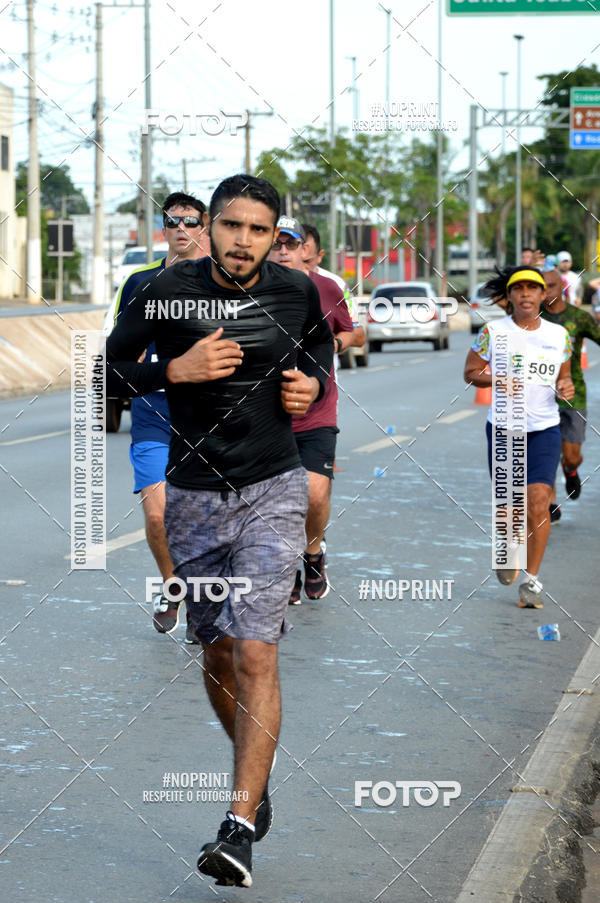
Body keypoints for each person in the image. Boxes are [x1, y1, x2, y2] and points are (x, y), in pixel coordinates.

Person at [106, 174, 333, 888]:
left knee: (257, 651)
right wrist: (173, 368)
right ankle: (253, 772)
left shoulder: (297, 293)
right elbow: (104, 378)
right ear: (212, 227)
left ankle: (237, 827)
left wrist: (311, 388)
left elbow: (317, 365)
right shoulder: (163, 292)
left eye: (258, 230)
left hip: (273, 485)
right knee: (219, 650)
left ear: (274, 235)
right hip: (196, 497)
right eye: (231, 226)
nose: (243, 241)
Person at [112, 192, 209, 639]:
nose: (181, 229)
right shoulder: (139, 283)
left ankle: (204, 601)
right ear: (163, 228)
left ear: (204, 226)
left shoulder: (223, 281)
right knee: (157, 516)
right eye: (173, 222)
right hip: (153, 412)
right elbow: (117, 359)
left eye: (190, 221)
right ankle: (173, 586)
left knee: (207, 519)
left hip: (210, 416)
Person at [464, 266, 574, 609]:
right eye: (519, 288)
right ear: (509, 297)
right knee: (510, 509)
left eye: (533, 288)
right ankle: (507, 544)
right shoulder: (493, 332)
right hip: (503, 427)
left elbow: (564, 380)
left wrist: (565, 387)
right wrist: (496, 380)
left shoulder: (559, 336)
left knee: (539, 501)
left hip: (544, 428)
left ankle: (532, 582)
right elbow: (470, 372)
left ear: (544, 295)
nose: (526, 293)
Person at [268, 217, 356, 603]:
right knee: (273, 498)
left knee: (315, 494)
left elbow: (349, 331)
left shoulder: (326, 287)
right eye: (277, 244)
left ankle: (313, 552)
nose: (283, 251)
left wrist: (331, 350)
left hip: (316, 411)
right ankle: (285, 567)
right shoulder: (247, 289)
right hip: (266, 414)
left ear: (305, 248)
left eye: (291, 243)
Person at [541, 268, 600, 521]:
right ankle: (551, 504)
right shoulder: (533, 317)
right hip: (541, 398)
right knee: (547, 452)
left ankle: (571, 470)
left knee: (571, 455)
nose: (546, 293)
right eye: (541, 288)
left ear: (562, 288)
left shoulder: (579, 317)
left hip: (573, 395)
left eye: (551, 286)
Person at [302, 222, 366, 351]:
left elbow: (359, 336)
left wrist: (329, 340)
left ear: (320, 256)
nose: (301, 267)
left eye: (307, 261)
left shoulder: (337, 285)